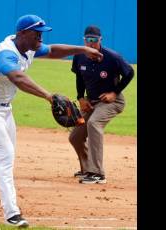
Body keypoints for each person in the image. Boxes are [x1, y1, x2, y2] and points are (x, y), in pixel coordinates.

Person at [0, 15, 103, 227]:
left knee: (0, 152)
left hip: (4, 109)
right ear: (22, 33)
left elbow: (53, 50)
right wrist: (49, 96)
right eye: (37, 33)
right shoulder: (4, 53)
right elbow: (18, 78)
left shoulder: (28, 47)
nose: (40, 37)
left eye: (42, 33)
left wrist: (83, 50)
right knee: (5, 155)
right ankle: (11, 213)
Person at [69, 25, 134, 184]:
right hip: (91, 102)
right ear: (84, 40)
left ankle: (97, 173)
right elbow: (79, 77)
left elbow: (130, 73)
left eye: (94, 40)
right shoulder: (79, 56)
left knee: (94, 123)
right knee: (75, 136)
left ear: (100, 40)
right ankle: (86, 168)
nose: (91, 43)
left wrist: (115, 92)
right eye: (88, 40)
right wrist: (80, 98)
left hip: (112, 102)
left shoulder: (112, 57)